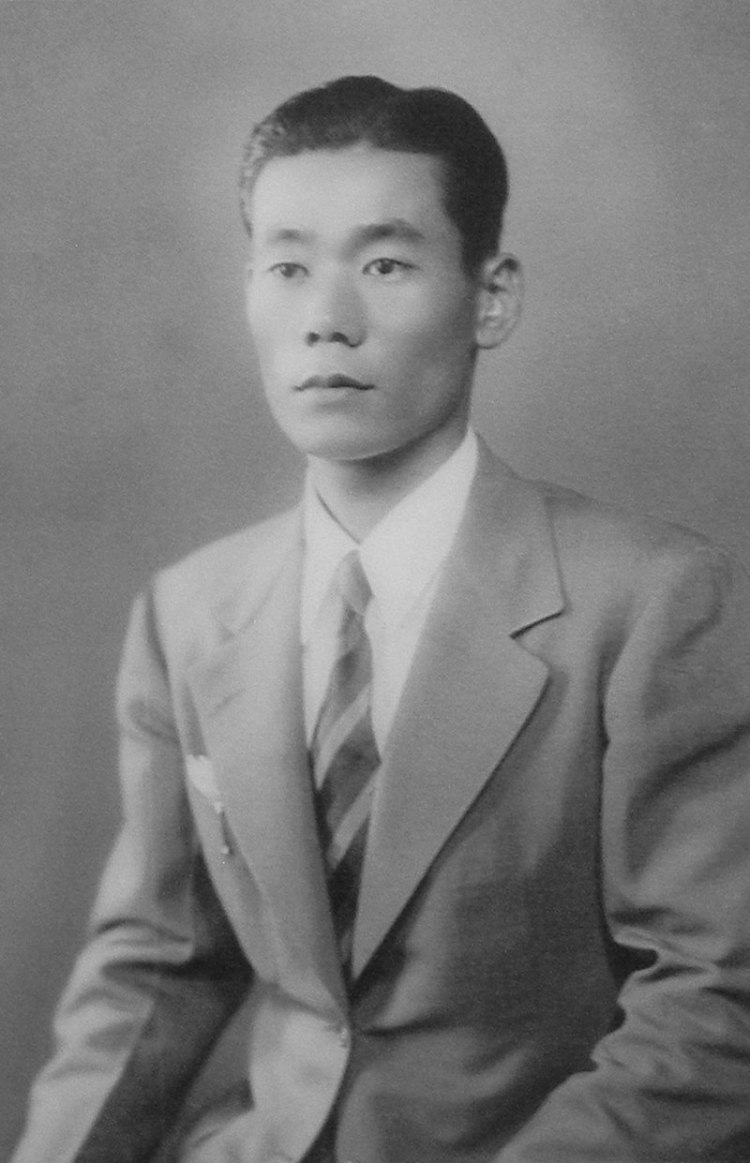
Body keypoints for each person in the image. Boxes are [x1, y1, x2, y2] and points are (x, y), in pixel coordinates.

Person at [12, 75, 750, 1163]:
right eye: (288, 266)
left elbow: (714, 996)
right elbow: (154, 965)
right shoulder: (191, 610)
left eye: (386, 264)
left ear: (490, 297)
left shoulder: (649, 599)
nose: (327, 318)